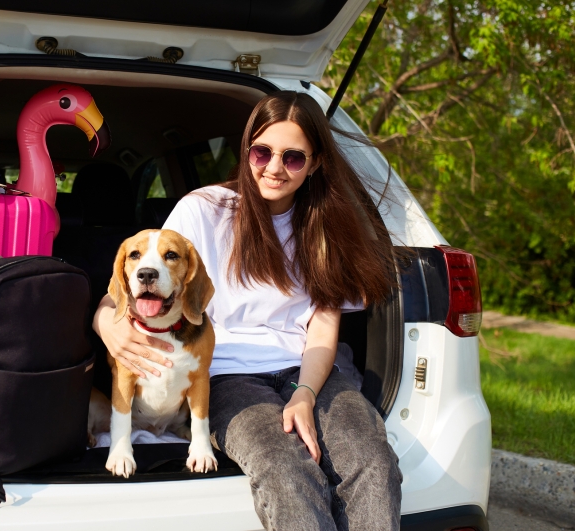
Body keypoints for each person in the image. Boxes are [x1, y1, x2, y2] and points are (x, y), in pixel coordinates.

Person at [93, 91, 402, 530]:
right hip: (226, 374)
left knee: (372, 460)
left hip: (310, 369)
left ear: (314, 163)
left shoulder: (326, 226)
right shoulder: (203, 211)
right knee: (285, 469)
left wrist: (305, 394)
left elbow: (323, 324)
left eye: (293, 158)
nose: (274, 168)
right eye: (263, 152)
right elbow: (133, 284)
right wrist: (107, 326)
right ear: (247, 151)